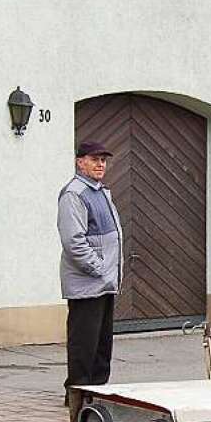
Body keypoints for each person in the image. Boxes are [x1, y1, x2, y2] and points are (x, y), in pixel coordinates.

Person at [58, 140, 123, 400]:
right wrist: (98, 269)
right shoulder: (74, 194)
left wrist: (109, 274)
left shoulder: (101, 191)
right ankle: (77, 394)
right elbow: (73, 240)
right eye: (94, 159)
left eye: (103, 160)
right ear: (80, 161)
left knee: (101, 344)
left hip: (105, 282)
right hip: (87, 284)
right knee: (83, 344)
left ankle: (98, 391)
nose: (100, 164)